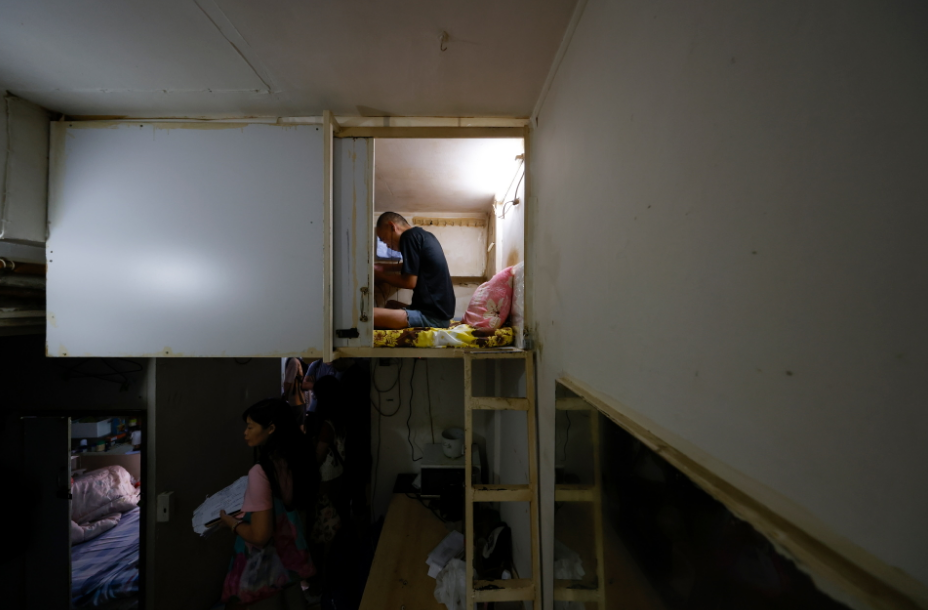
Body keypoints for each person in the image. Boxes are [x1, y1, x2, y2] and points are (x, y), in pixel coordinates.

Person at [218, 399, 317, 609]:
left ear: (271, 428)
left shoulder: (261, 471)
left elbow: (260, 535)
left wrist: (231, 523)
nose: (245, 432)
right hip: (290, 558)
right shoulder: (297, 458)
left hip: (265, 568)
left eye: (250, 426)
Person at [373, 211, 455, 329]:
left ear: (392, 226)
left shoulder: (408, 236)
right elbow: (415, 266)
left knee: (366, 315)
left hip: (432, 318)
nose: (386, 245)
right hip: (441, 315)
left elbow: (409, 282)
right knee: (390, 304)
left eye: (384, 239)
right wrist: (383, 267)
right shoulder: (423, 235)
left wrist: (381, 276)